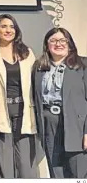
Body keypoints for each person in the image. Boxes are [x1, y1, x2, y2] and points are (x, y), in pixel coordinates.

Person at [32, 27, 87, 178]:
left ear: (69, 43)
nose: (58, 44)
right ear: (47, 45)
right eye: (53, 40)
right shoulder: (39, 67)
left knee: (78, 173)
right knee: (56, 172)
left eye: (63, 40)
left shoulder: (83, 65)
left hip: (76, 126)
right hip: (49, 123)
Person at [0, 14, 38, 178]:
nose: (8, 30)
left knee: (27, 166)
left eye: (11, 26)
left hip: (24, 114)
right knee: (4, 167)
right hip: (1, 114)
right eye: (3, 26)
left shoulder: (27, 53)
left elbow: (36, 80)